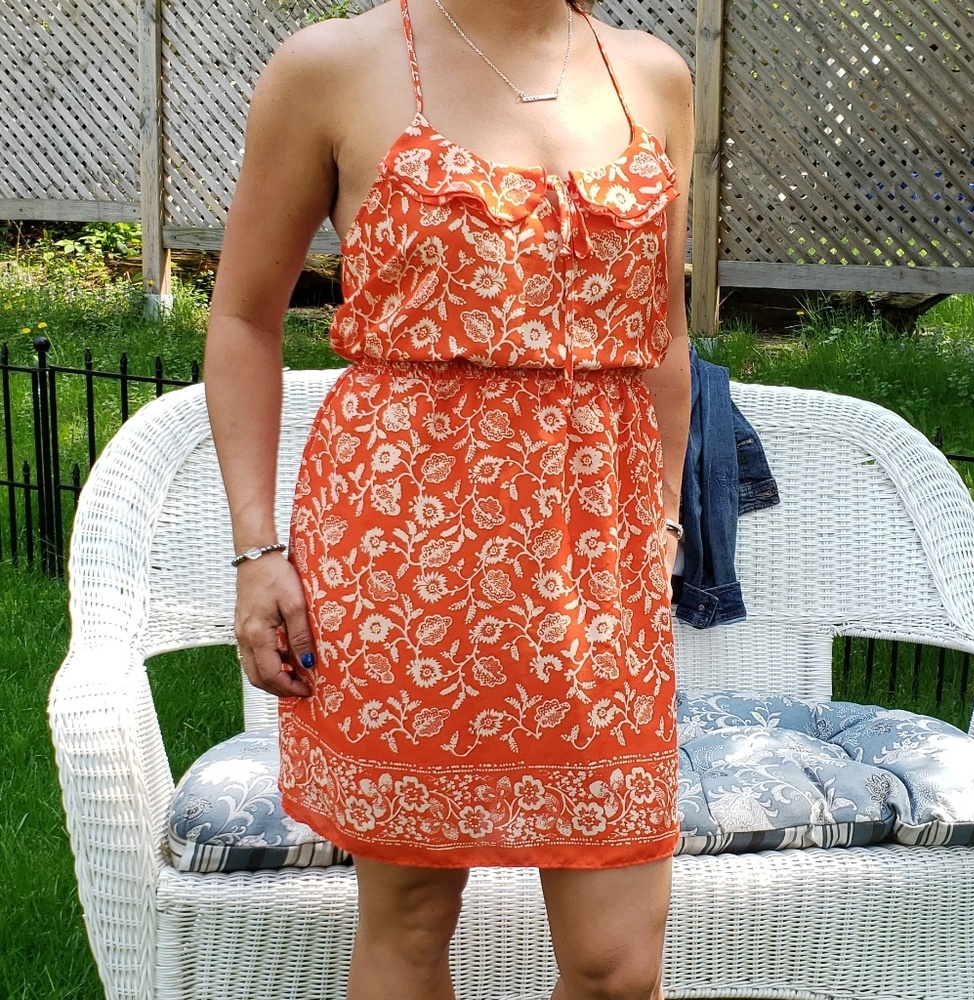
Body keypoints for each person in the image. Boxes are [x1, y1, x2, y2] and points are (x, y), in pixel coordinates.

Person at [204, 0, 693, 997]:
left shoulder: (654, 76)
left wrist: (665, 516)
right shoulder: (332, 66)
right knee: (413, 916)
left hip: (591, 567)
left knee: (617, 966)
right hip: (405, 561)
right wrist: (258, 552)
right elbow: (244, 317)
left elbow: (665, 335)